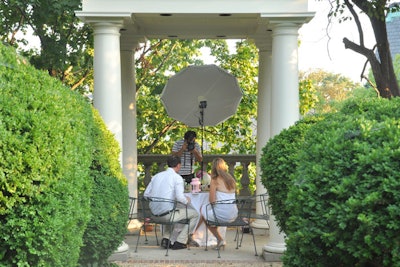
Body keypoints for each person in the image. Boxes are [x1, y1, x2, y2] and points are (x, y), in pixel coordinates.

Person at [143, 155, 199, 250]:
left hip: (154, 215)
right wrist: (187, 200)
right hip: (167, 216)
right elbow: (180, 198)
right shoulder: (177, 178)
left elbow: (146, 194)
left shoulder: (156, 176)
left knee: (171, 210)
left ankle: (166, 239)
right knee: (195, 214)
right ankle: (180, 241)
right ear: (178, 165)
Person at [195, 157, 238, 250]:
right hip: (233, 214)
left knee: (203, 210)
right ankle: (193, 234)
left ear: (213, 168)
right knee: (208, 213)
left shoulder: (215, 180)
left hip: (222, 214)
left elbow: (212, 201)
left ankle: (218, 239)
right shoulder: (231, 179)